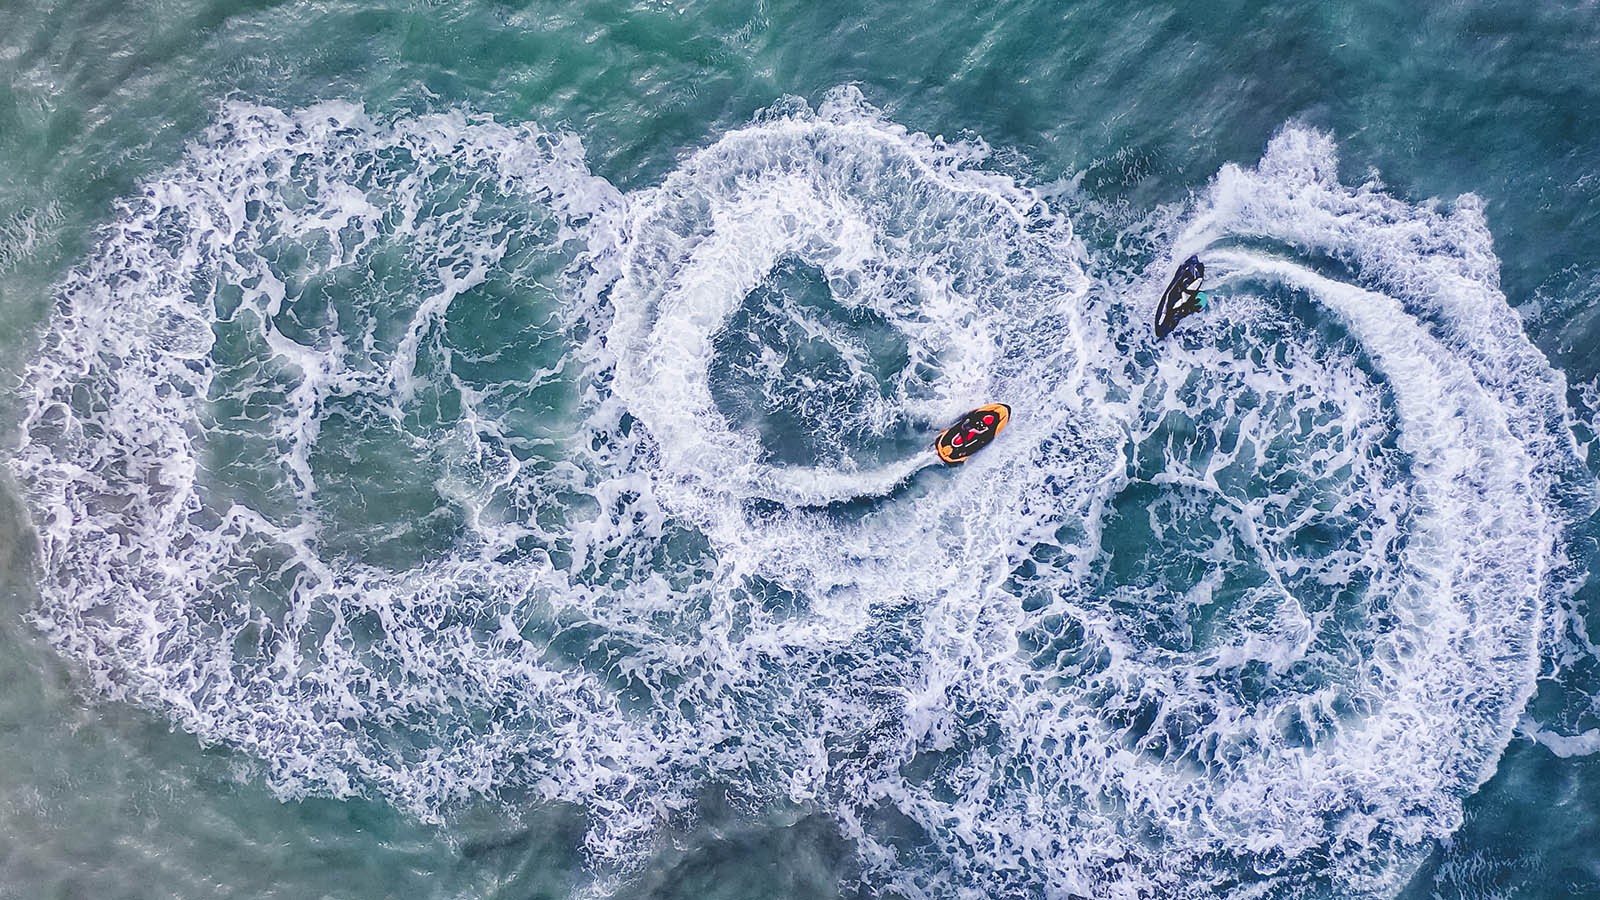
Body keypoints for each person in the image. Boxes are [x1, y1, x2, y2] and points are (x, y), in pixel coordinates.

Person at [1154, 255, 1210, 339]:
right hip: (1173, 302)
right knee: (1161, 330)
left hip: (1173, 309)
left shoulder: (1186, 303)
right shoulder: (1194, 283)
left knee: (1162, 330)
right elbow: (1171, 298)